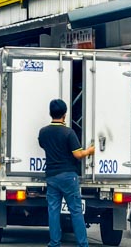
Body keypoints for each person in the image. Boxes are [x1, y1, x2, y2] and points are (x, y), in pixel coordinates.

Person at [39, 99, 95, 247]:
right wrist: (89, 151)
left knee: (53, 211)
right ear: (65, 114)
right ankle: (82, 244)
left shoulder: (43, 132)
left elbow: (43, 145)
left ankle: (54, 242)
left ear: (50, 113)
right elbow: (77, 155)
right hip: (69, 176)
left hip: (51, 176)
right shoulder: (69, 132)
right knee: (75, 211)